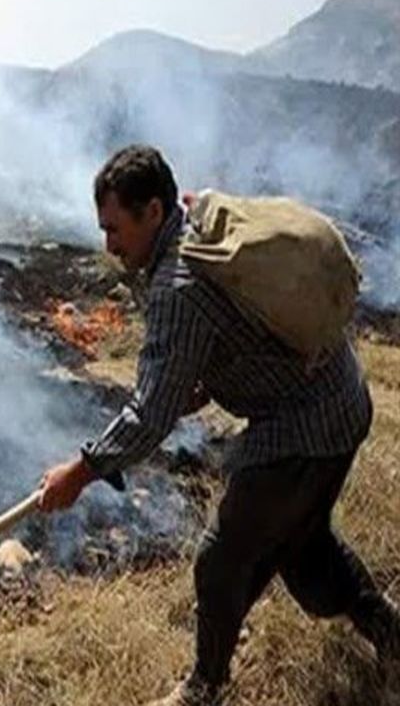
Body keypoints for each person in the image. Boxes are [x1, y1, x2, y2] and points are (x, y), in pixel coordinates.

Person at [36, 145, 399, 705]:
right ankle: (389, 633)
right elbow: (242, 330)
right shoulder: (202, 221)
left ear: (152, 212)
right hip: (342, 400)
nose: (109, 246)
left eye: (115, 230)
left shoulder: (177, 289)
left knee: (220, 559)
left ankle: (204, 689)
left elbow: (148, 416)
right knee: (305, 547)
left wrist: (78, 473)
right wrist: (201, 382)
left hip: (303, 428)